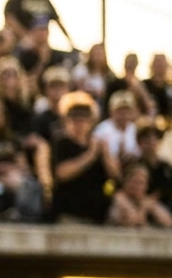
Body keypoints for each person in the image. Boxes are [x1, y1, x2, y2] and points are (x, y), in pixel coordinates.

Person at [51, 91, 120, 223]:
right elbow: (62, 173)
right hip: (69, 211)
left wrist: (106, 154)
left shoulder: (98, 143)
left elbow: (115, 176)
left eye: (84, 118)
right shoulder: (61, 142)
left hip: (96, 212)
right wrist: (90, 155)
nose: (79, 123)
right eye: (74, 118)